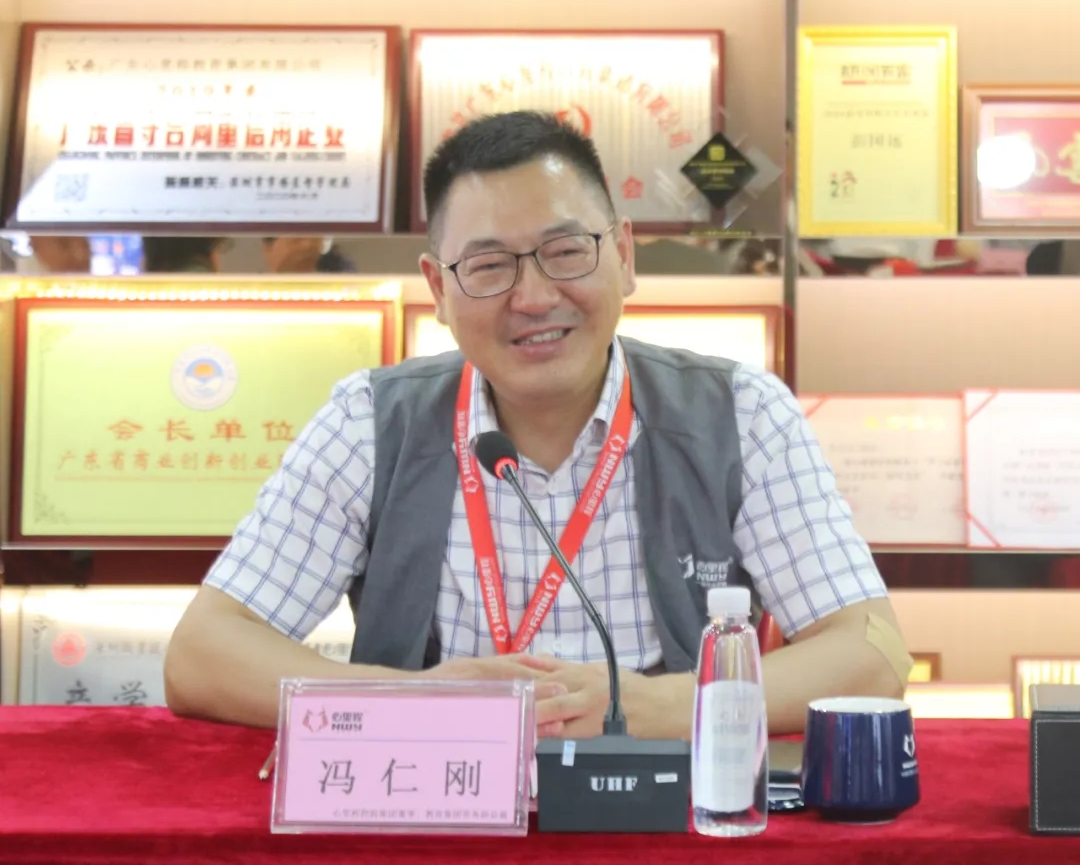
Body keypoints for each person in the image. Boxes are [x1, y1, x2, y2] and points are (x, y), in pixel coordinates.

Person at [165, 111, 911, 738]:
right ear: (438, 290)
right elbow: (202, 655)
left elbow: (871, 655)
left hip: (665, 819)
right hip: (430, 815)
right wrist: (413, 699)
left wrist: (653, 707)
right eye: (489, 266)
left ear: (623, 256)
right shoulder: (368, 423)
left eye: (565, 252)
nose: (533, 297)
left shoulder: (741, 415)